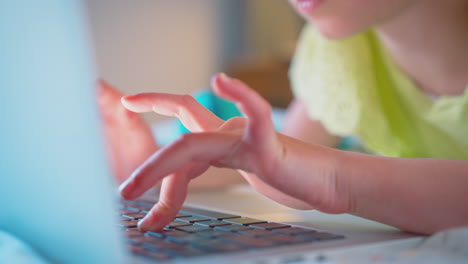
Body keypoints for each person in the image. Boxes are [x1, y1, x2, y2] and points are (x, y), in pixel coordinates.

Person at [99, 0, 468, 235]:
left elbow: (315, 169)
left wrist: (336, 180)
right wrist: (150, 170)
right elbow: (282, 162)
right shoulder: (340, 51)